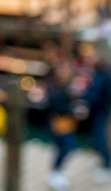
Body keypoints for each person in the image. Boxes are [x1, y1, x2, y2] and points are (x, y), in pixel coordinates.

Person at [82, 47, 111, 181]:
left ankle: (107, 165)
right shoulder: (105, 75)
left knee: (100, 138)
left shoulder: (100, 77)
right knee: (99, 137)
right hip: (102, 111)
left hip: (100, 112)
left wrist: (83, 96)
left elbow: (94, 96)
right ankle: (106, 163)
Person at [46, 61, 77, 191]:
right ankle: (56, 171)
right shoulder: (54, 87)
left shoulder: (65, 86)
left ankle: (57, 170)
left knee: (64, 146)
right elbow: (55, 104)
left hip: (65, 121)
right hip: (58, 122)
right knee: (67, 145)